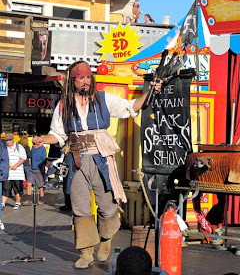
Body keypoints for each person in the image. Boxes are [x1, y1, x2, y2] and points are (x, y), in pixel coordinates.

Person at [32, 61, 162, 269]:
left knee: (108, 205)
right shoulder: (64, 105)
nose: (85, 81)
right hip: (76, 160)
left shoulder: (103, 99)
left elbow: (130, 107)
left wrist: (148, 94)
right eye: (80, 78)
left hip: (101, 158)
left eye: (87, 77)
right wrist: (43, 140)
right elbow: (57, 133)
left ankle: (106, 238)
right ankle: (85, 252)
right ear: (73, 81)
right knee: (80, 207)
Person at [1, 133, 26, 210]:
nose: (7, 142)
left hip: (17, 173)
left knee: (17, 189)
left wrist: (16, 165)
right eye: (6, 140)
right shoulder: (4, 148)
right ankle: (2, 203)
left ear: (13, 140)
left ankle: (17, 202)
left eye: (9, 140)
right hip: (7, 172)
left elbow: (23, 158)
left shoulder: (19, 147)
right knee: (5, 188)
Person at [22, 140, 46, 206]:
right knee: (29, 184)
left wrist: (42, 170)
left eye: (36, 142)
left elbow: (44, 159)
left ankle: (41, 200)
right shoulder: (32, 148)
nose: (35, 143)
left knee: (40, 185)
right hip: (31, 168)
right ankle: (29, 200)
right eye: (34, 142)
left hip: (39, 169)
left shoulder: (42, 148)